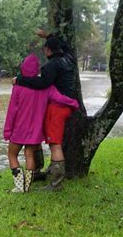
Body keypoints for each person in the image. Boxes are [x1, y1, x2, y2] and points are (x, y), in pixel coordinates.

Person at [5, 54, 79, 193]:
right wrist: (74, 103)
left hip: (19, 129)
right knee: (29, 154)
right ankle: (27, 186)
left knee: (12, 155)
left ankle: (20, 187)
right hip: (35, 131)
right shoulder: (47, 88)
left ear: (23, 68)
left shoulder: (18, 87)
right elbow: (61, 98)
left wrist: (7, 130)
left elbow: (12, 111)